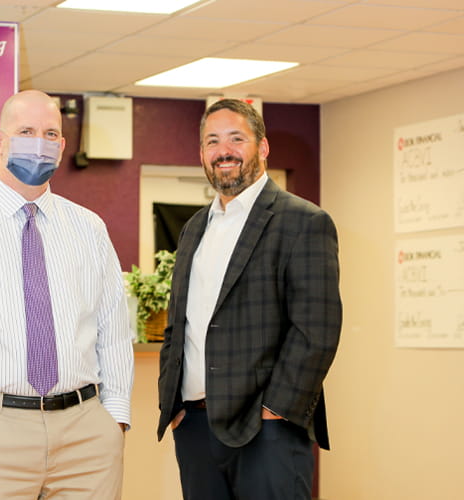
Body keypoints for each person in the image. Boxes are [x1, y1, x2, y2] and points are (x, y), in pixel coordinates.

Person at [0, 89, 134, 500]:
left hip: (86, 433)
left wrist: (115, 417)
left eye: (50, 133)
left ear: (63, 146)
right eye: (26, 131)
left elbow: (114, 329)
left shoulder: (89, 228)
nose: (40, 143)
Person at [156, 98, 342, 500]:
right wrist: (173, 406)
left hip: (266, 430)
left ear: (263, 146)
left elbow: (317, 330)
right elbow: (179, 323)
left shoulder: (303, 221)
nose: (224, 151)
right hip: (195, 427)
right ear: (202, 153)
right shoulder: (193, 229)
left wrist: (276, 411)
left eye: (236, 139)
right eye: (212, 142)